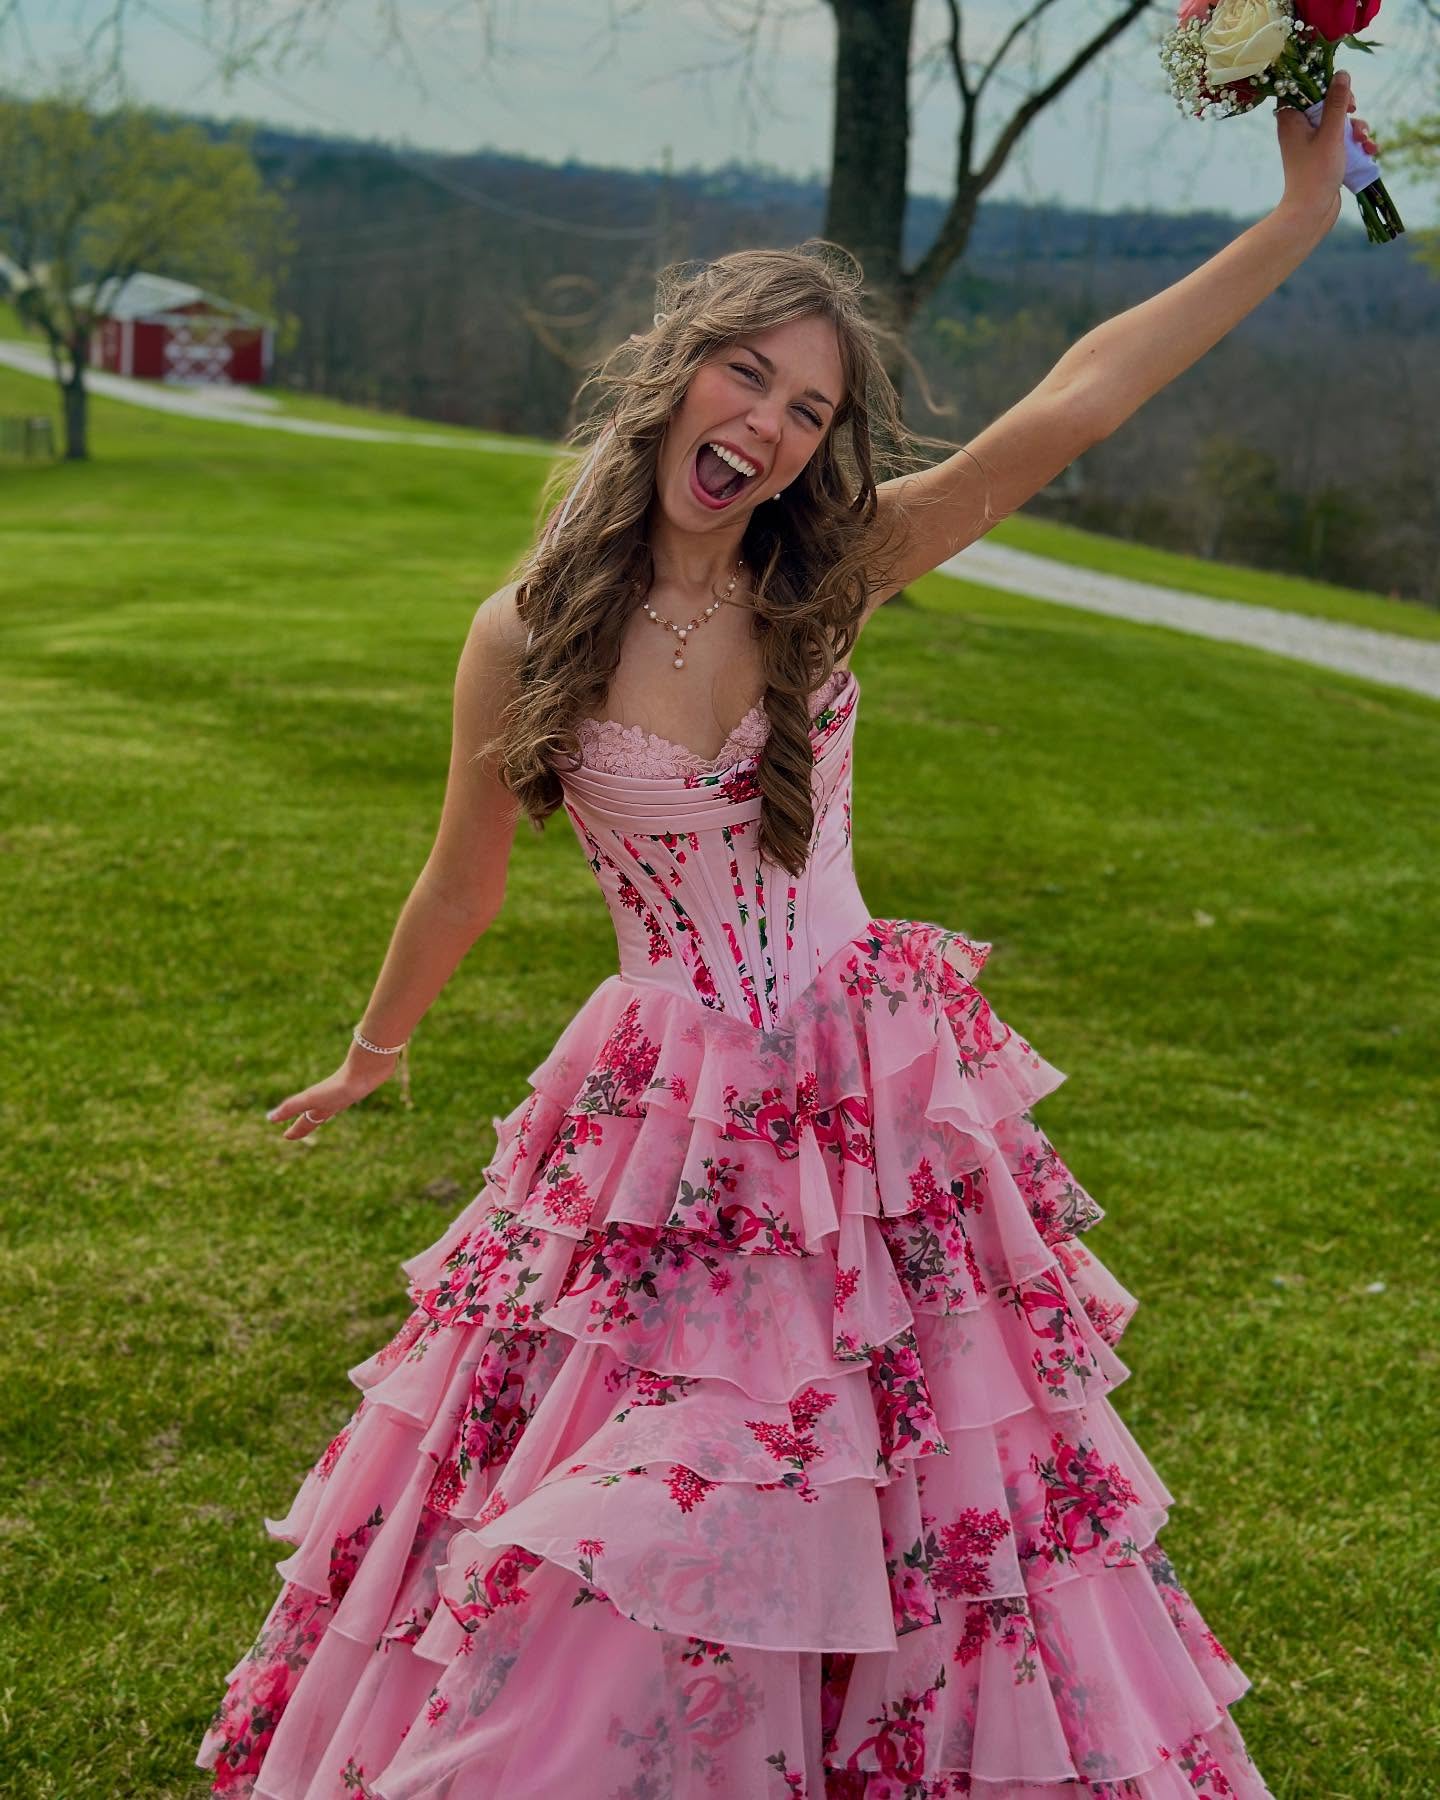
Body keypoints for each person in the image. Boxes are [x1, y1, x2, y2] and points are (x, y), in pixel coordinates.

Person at [196, 78, 1367, 1800]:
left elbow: (1078, 401)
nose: (774, 424)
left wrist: (1295, 218)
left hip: (863, 1105)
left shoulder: (828, 580)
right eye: (752, 375)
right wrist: (374, 1052)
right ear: (683, 371)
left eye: (813, 409)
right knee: (627, 1502)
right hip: (663, 1124)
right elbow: (460, 881)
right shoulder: (524, 634)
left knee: (911, 1500)